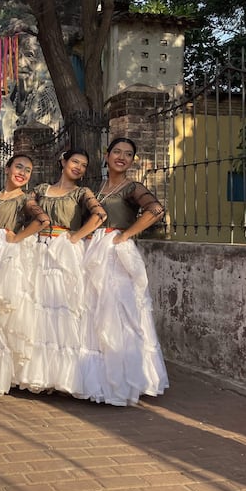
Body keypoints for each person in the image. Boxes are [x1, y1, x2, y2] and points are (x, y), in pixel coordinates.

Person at [82, 137, 169, 405]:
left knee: (120, 311)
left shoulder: (133, 187)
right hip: (95, 249)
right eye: (117, 152)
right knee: (94, 309)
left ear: (132, 161)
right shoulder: (97, 188)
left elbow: (156, 209)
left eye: (128, 154)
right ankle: (99, 378)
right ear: (106, 155)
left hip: (116, 252)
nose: (122, 157)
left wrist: (125, 235)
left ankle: (126, 379)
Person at [22, 149, 106, 399]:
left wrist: (75, 237)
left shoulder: (82, 192)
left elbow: (100, 215)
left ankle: (67, 376)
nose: (78, 167)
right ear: (63, 162)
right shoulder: (40, 189)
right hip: (39, 251)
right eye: (75, 162)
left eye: (84, 164)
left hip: (65, 251)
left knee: (65, 310)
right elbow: (25, 205)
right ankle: (44, 375)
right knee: (41, 310)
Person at [0, 154, 51, 397]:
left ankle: (7, 375)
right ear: (7, 168)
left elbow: (43, 220)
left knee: (2, 313)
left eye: (27, 170)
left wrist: (17, 237)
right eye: (18, 167)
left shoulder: (25, 199)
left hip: (6, 256)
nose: (22, 172)